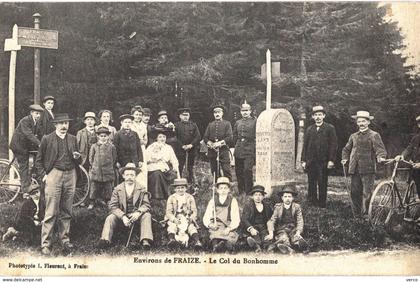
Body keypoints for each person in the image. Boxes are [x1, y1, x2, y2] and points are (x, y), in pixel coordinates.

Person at [35, 113, 81, 255]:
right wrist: (44, 176)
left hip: (71, 174)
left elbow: (79, 160)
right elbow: (38, 160)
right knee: (51, 211)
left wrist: (78, 158)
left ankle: (65, 240)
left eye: (66, 123)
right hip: (54, 174)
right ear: (55, 125)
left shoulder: (73, 139)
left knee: (66, 210)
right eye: (61, 123)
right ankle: (46, 244)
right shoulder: (47, 139)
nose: (64, 126)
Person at [96, 163, 153, 250]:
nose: (129, 177)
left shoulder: (142, 189)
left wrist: (138, 213)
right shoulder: (117, 189)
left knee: (147, 215)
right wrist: (123, 216)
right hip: (122, 216)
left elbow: (146, 205)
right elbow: (113, 206)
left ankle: (145, 240)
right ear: (123, 176)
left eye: (132, 175)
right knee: (110, 218)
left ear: (135, 176)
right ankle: (105, 240)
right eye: (127, 175)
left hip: (136, 216)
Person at [341, 111, 387, 218]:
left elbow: (380, 149)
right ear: (357, 123)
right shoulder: (353, 136)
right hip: (355, 169)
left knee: (367, 193)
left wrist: (381, 157)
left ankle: (366, 215)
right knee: (355, 193)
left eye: (363, 121)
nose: (361, 123)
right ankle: (357, 215)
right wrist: (344, 158)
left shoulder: (374, 135)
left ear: (368, 122)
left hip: (368, 169)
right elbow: (346, 149)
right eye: (359, 121)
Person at [301, 105, 338, 208]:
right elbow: (305, 145)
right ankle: (312, 201)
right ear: (313, 117)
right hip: (311, 161)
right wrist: (303, 160)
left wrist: (331, 160)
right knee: (311, 181)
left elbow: (333, 145)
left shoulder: (329, 128)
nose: (318, 117)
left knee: (322, 182)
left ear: (324, 116)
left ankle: (322, 203)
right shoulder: (309, 129)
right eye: (316, 115)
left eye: (320, 115)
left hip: (323, 161)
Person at [9, 104, 44, 193]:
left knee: (38, 156)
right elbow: (29, 134)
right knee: (24, 165)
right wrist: (39, 144)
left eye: (39, 114)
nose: (38, 116)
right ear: (31, 113)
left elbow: (40, 134)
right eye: (36, 113)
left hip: (25, 145)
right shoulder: (25, 121)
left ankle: (33, 177)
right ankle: (25, 188)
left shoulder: (36, 122)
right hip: (18, 146)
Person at [203, 177, 240, 252]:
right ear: (217, 190)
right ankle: (216, 246)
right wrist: (210, 225)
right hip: (217, 225)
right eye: (221, 188)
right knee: (215, 234)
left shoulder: (232, 201)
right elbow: (206, 216)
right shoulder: (213, 201)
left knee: (229, 236)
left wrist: (229, 228)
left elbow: (236, 218)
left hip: (228, 225)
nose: (223, 190)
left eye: (225, 188)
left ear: (229, 190)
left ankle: (226, 246)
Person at [266, 186, 306, 254]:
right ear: (282, 198)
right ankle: (287, 248)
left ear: (293, 198)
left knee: (296, 238)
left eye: (289, 196)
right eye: (285, 196)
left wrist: (298, 231)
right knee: (283, 238)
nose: (287, 199)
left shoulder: (296, 207)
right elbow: (272, 220)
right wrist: (271, 233)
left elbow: (300, 220)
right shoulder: (278, 207)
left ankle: (301, 246)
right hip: (282, 229)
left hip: (293, 229)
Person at [165, 178, 202, 249]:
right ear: (175, 189)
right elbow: (168, 212)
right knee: (172, 227)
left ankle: (197, 242)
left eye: (182, 187)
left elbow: (194, 210)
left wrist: (191, 218)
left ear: (186, 188)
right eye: (178, 188)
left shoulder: (190, 197)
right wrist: (174, 219)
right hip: (175, 216)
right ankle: (172, 240)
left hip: (187, 217)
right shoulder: (171, 198)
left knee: (191, 228)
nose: (180, 190)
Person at [395, 114, 420, 214]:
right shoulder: (416, 138)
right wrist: (402, 156)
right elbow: (409, 149)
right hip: (415, 170)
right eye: (419, 123)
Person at [87, 127, 117, 210]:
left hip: (108, 170)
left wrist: (110, 165)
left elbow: (114, 158)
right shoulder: (94, 146)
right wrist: (94, 166)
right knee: (94, 187)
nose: (103, 138)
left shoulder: (111, 147)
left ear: (108, 137)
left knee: (108, 187)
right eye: (101, 136)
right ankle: (92, 201)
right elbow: (91, 158)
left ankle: (108, 201)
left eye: (105, 136)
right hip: (96, 171)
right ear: (98, 136)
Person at [145, 129, 180, 199]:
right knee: (157, 174)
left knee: (173, 174)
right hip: (153, 168)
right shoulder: (151, 147)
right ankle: (157, 196)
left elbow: (174, 159)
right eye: (160, 137)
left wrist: (175, 167)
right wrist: (153, 159)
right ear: (157, 138)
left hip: (164, 167)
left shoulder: (168, 147)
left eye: (164, 137)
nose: (162, 139)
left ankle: (169, 195)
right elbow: (145, 158)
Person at [203, 105, 233, 180]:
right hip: (212, 151)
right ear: (213, 114)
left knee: (226, 170)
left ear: (222, 113)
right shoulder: (210, 124)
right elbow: (205, 137)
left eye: (219, 112)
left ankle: (229, 187)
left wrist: (219, 143)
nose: (217, 114)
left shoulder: (227, 124)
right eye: (215, 112)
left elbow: (229, 137)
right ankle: (217, 187)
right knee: (214, 171)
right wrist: (210, 143)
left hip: (223, 150)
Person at [233, 102, 256, 194]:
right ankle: (241, 191)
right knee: (238, 171)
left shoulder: (255, 121)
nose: (245, 112)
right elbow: (234, 136)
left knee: (247, 170)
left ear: (250, 111)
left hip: (249, 149)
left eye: (246, 110)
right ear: (240, 112)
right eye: (243, 111)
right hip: (239, 149)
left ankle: (249, 191)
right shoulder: (238, 122)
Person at [241, 185, 273, 252]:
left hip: (264, 227)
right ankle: (256, 247)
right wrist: (251, 228)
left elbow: (270, 219)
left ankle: (268, 247)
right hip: (253, 226)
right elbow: (244, 219)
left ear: (263, 196)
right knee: (256, 237)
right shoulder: (248, 206)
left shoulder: (267, 206)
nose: (258, 197)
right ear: (252, 196)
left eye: (260, 195)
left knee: (266, 237)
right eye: (256, 195)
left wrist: (270, 231)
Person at [174, 107, 201, 183]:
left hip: (191, 150)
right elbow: (175, 137)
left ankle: (190, 182)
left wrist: (191, 145)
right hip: (180, 150)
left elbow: (198, 136)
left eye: (187, 115)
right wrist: (181, 145)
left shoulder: (193, 125)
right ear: (180, 116)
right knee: (179, 166)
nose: (185, 117)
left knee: (190, 167)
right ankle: (179, 182)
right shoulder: (176, 125)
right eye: (183, 115)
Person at [130, 105, 148, 187]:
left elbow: (145, 140)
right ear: (133, 115)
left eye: (140, 115)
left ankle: (143, 191)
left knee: (143, 169)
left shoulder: (143, 125)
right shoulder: (129, 124)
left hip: (142, 149)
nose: (138, 116)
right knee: (133, 169)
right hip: (132, 149)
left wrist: (142, 142)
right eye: (136, 114)